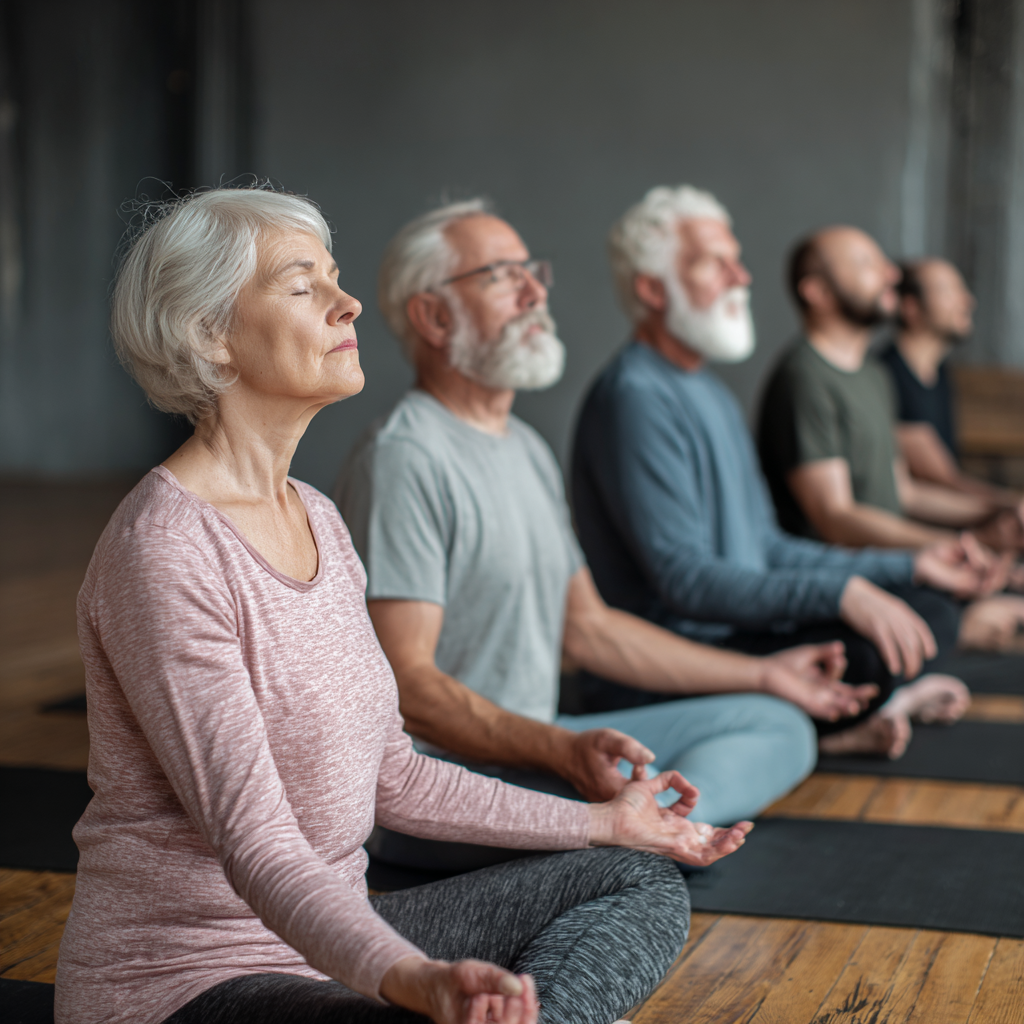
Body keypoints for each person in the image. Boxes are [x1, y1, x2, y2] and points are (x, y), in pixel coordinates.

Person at [55, 186, 753, 1024]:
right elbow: (256, 843)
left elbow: (396, 775)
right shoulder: (165, 550)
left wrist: (607, 821)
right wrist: (406, 978)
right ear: (210, 334)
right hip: (187, 982)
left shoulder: (316, 515)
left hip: (327, 944)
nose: (347, 302)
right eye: (301, 284)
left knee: (635, 877)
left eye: (336, 277)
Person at [335, 198, 870, 875]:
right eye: (503, 276)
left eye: (534, 272)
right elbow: (407, 687)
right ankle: (635, 838)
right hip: (450, 789)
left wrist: (767, 674)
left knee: (779, 723)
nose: (536, 293)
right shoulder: (404, 457)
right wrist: (558, 750)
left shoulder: (525, 447)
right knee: (650, 792)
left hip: (540, 748)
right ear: (434, 316)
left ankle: (645, 833)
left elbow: (590, 629)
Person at [571, 186, 985, 761]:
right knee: (873, 650)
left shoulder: (708, 391)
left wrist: (911, 564)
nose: (741, 277)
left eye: (736, 260)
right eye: (716, 264)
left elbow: (764, 545)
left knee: (927, 606)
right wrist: (842, 593)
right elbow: (685, 582)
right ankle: (839, 717)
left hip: (742, 627)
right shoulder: (634, 397)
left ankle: (843, 715)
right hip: (680, 661)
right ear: (651, 289)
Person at [757, 226, 1024, 650]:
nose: (890, 275)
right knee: (953, 610)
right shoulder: (805, 376)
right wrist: (959, 545)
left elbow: (907, 492)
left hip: (896, 567)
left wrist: (1000, 513)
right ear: (818, 292)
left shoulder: (873, 376)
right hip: (843, 584)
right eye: (867, 265)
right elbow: (835, 517)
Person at [882, 258, 1024, 512]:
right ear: (910, 307)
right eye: (949, 291)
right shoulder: (888, 376)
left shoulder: (940, 375)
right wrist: (1012, 504)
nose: (968, 302)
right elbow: (939, 478)